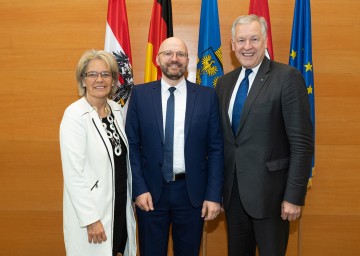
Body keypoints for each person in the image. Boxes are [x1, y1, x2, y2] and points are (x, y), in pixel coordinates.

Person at [215, 15, 314, 256]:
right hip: (233, 197)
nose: (247, 46)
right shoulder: (224, 84)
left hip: (273, 198)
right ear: (232, 44)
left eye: (254, 39)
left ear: (265, 41)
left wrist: (293, 197)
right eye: (241, 40)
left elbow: (301, 144)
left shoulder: (287, 77)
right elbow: (224, 142)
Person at [125, 37, 224, 256]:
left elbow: (216, 148)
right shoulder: (139, 95)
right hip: (150, 194)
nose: (174, 59)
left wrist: (213, 194)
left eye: (180, 54)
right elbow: (132, 145)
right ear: (158, 59)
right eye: (168, 53)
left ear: (188, 60)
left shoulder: (207, 97)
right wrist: (139, 189)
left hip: (192, 194)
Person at [59, 49, 136, 256]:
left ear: (113, 80)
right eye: (92, 74)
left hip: (118, 206)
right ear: (83, 80)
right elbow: (74, 174)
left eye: (106, 74)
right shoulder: (75, 115)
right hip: (93, 214)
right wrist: (91, 219)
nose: (99, 79)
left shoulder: (116, 110)